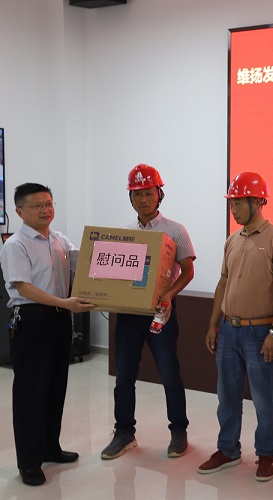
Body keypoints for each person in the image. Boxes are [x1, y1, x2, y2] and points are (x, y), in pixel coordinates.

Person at [198, 171, 273, 482]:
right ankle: (227, 449)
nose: (233, 209)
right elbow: (223, 283)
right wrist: (213, 325)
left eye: (238, 203)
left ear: (257, 202)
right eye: (231, 203)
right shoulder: (232, 240)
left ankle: (266, 454)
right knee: (227, 396)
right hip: (229, 330)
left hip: (260, 332)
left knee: (265, 398)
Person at [0, 183, 96, 486]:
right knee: (31, 392)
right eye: (37, 205)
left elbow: (87, 263)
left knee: (56, 387)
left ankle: (50, 447)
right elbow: (24, 288)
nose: (45, 210)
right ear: (19, 211)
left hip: (59, 319)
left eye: (49, 203)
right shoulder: (15, 245)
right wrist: (64, 303)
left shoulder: (59, 240)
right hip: (32, 320)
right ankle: (29, 462)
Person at [101, 164, 196, 460]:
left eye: (148, 193)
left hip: (160, 313)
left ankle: (178, 431)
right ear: (130, 198)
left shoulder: (175, 230)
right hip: (128, 315)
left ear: (159, 195)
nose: (143, 199)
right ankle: (124, 432)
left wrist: (169, 293)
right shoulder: (125, 233)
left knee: (169, 374)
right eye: (137, 194)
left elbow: (188, 270)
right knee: (124, 376)